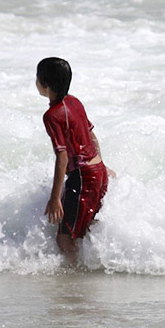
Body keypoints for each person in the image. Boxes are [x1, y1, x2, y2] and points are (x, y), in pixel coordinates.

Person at [36, 57, 112, 266]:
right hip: (98, 172)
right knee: (84, 228)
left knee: (64, 238)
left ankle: (77, 283)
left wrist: (55, 198)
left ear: (44, 84)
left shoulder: (52, 115)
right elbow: (91, 134)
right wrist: (102, 165)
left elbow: (62, 156)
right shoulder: (74, 102)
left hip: (84, 178)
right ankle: (94, 267)